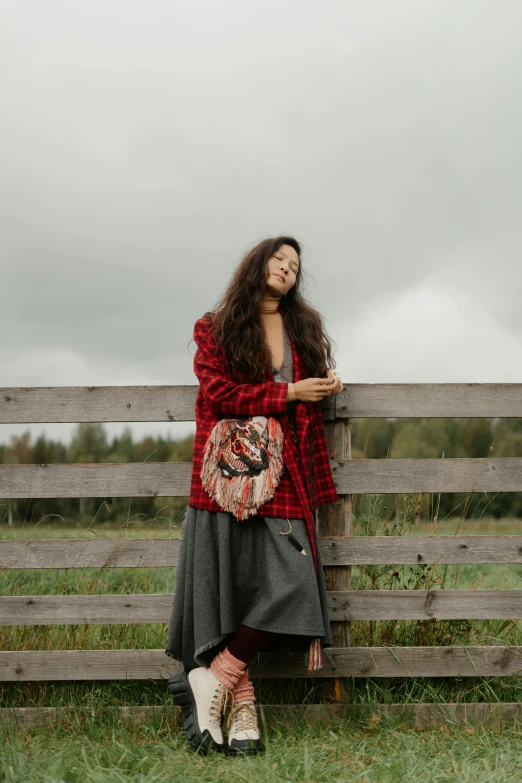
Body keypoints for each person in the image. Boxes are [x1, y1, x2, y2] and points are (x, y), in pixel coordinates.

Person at [165, 236, 343, 756]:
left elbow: (305, 389)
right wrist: (287, 393)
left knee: (294, 583)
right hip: (225, 470)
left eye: (294, 266)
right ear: (258, 263)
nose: (287, 268)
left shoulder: (301, 329)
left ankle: (214, 677)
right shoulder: (214, 326)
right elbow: (218, 394)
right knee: (229, 580)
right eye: (279, 259)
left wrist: (325, 385)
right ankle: (238, 698)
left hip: (284, 471)